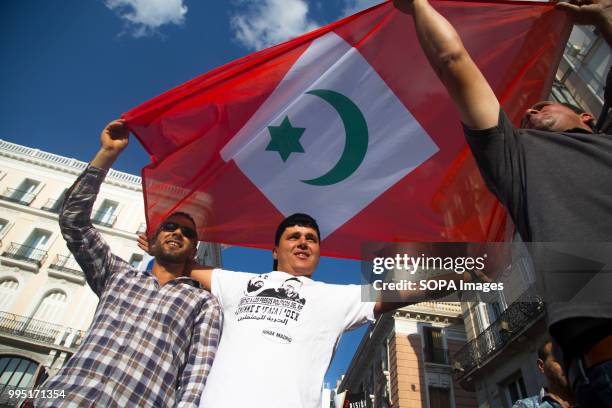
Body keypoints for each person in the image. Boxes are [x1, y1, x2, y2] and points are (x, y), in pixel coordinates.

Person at [394, 0, 612, 405]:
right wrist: (419, 4)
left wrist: (602, 18)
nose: (529, 111)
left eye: (544, 104)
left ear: (586, 117)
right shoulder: (520, 158)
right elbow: (452, 60)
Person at [138, 212, 469, 408]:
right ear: (275, 249)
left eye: (311, 238)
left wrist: (463, 274)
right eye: (294, 236)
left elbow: (398, 292)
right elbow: (183, 264)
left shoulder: (336, 299)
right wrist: (159, 244)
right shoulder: (236, 283)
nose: (303, 242)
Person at [35, 120, 221, 407]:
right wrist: (107, 154)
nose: (178, 232)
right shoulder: (117, 275)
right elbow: (74, 222)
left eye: (187, 233)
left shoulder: (203, 303)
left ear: (193, 249)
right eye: (171, 226)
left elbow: (196, 377)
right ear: (154, 238)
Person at [513, 340, 574, 408]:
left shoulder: (586, 396)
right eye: (558, 359)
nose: (565, 364)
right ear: (541, 366)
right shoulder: (526, 406)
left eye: (569, 358)